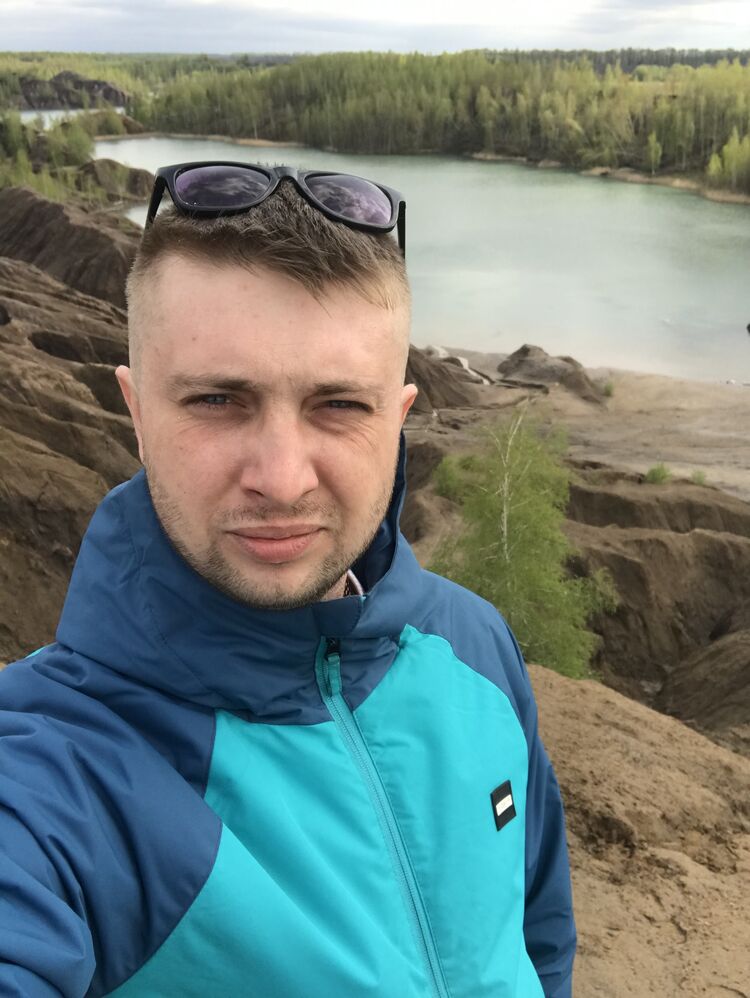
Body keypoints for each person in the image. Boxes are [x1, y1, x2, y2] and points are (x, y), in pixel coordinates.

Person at [0, 162, 576, 997]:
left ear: (398, 420)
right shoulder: (55, 772)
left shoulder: (474, 644)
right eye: (217, 400)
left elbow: (538, 937)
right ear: (136, 410)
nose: (281, 478)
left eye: (339, 405)